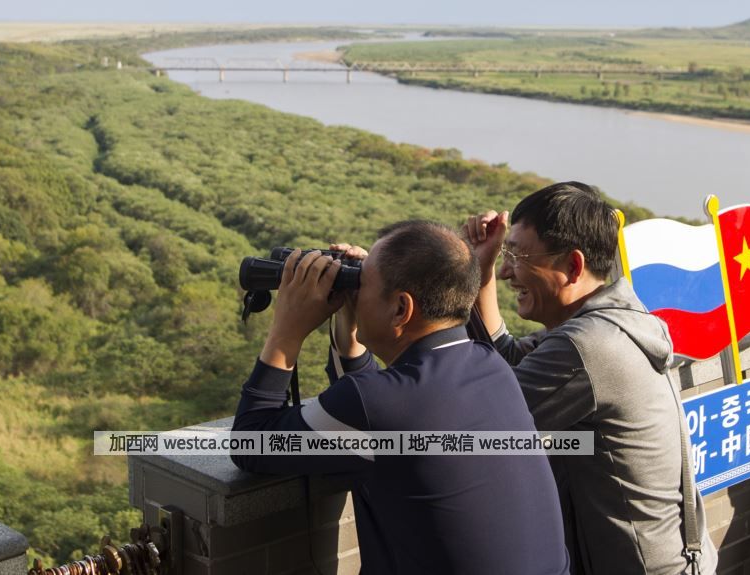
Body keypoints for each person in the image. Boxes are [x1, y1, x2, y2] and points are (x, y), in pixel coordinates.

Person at [231, 220, 569, 575]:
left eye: (362, 283)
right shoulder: (492, 365)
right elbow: (370, 407)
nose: (355, 291)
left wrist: (287, 328)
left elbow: (252, 443)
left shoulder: (376, 403)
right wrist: (350, 325)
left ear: (401, 309)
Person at [463, 181, 719, 575]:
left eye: (517, 255)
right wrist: (480, 267)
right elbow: (509, 364)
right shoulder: (612, 320)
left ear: (572, 266)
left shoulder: (589, 346)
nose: (505, 271)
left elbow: (482, 423)